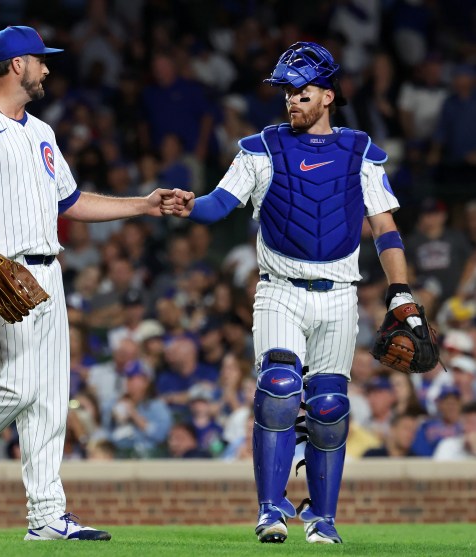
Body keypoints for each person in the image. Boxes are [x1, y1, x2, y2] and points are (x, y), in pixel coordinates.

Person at [0, 25, 173, 542]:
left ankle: (47, 514)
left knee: (51, 396)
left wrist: (143, 204)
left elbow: (70, 204)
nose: (47, 68)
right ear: (15, 65)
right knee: (21, 384)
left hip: (47, 270)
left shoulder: (42, 132)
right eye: (40, 59)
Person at [163, 42, 414, 544]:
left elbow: (385, 228)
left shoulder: (360, 150)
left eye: (300, 92)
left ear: (327, 95)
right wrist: (188, 205)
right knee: (279, 391)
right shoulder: (261, 147)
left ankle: (322, 519)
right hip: (279, 290)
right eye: (286, 93)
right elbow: (219, 204)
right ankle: (270, 510)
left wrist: (402, 293)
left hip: (341, 293)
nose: (291, 101)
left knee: (329, 408)